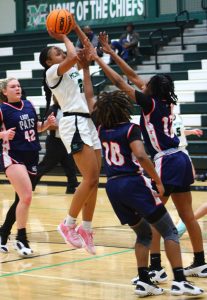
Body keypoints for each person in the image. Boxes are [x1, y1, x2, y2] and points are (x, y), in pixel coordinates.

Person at [83, 33, 207, 283]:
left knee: (155, 215)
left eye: (147, 83)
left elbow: (121, 81)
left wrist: (98, 58)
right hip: (182, 157)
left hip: (166, 161)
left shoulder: (149, 104)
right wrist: (112, 51)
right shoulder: (167, 100)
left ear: (151, 90)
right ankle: (201, 262)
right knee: (188, 215)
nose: (143, 83)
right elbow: (133, 76)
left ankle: (157, 267)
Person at [38, 19, 102, 255]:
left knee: (95, 180)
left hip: (86, 119)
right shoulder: (52, 73)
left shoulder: (72, 68)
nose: (61, 51)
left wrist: (76, 28)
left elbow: (87, 54)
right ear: (49, 61)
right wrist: (64, 35)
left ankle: (86, 228)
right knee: (89, 176)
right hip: (72, 122)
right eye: (56, 51)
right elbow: (74, 54)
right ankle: (68, 224)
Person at [0, 77, 56, 257]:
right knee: (26, 197)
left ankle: (3, 234)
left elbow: (36, 127)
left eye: (18, 85)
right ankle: (21, 238)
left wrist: (46, 125)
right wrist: (3, 134)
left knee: (21, 200)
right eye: (12, 86)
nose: (17, 88)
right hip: (12, 156)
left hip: (31, 155)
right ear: (4, 91)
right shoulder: (2, 110)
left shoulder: (29, 104)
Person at [32, 96, 79, 194]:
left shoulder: (69, 109)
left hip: (66, 142)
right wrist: (62, 127)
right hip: (54, 142)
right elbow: (48, 126)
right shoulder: (52, 109)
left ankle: (72, 188)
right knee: (46, 166)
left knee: (70, 166)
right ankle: (30, 184)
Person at [173, 113, 203, 177]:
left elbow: (181, 131)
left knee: (192, 175)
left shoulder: (178, 116)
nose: (171, 104)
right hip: (172, 150)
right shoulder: (164, 118)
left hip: (183, 149)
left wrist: (192, 131)